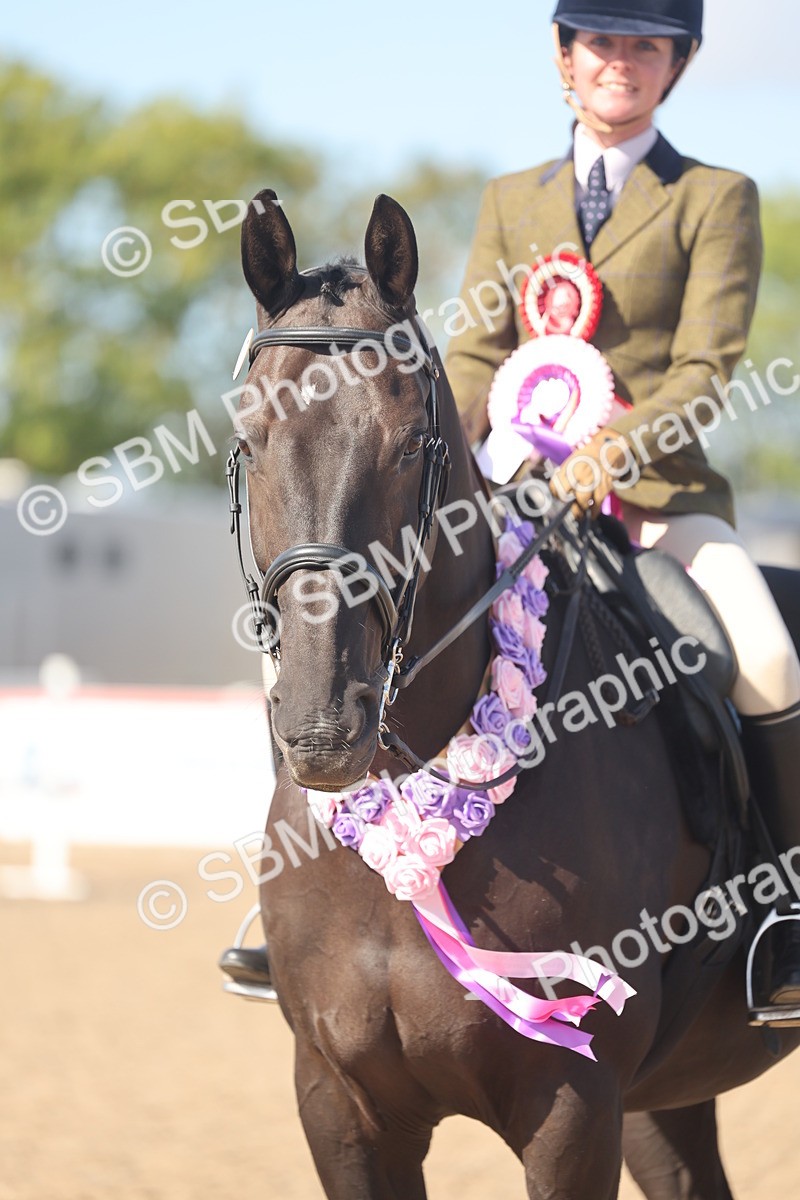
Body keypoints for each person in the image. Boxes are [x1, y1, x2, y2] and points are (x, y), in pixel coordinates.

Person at [444, 0, 800, 1010]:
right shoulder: (511, 198)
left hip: (654, 496)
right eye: (601, 41)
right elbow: (476, 348)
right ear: (564, 56)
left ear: (674, 65)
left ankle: (784, 915)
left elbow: (705, 364)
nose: (620, 62)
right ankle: (321, 898)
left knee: (766, 660)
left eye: (645, 45)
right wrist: (451, 456)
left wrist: (611, 450)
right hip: (518, 492)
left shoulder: (713, 196)